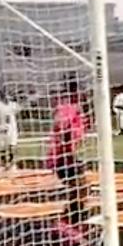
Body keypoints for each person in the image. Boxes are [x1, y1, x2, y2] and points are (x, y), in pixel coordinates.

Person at [48, 82, 89, 227]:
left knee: (79, 189)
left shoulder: (77, 111)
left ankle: (71, 217)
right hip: (62, 156)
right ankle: (69, 219)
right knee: (80, 188)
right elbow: (61, 127)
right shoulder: (66, 109)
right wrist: (69, 150)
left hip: (67, 155)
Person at [0, 88, 20, 171]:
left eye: (8, 94)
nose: (7, 96)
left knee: (12, 145)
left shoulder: (13, 105)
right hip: (1, 128)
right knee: (2, 146)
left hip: (12, 128)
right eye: (4, 94)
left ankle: (12, 163)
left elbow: (18, 110)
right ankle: (3, 163)